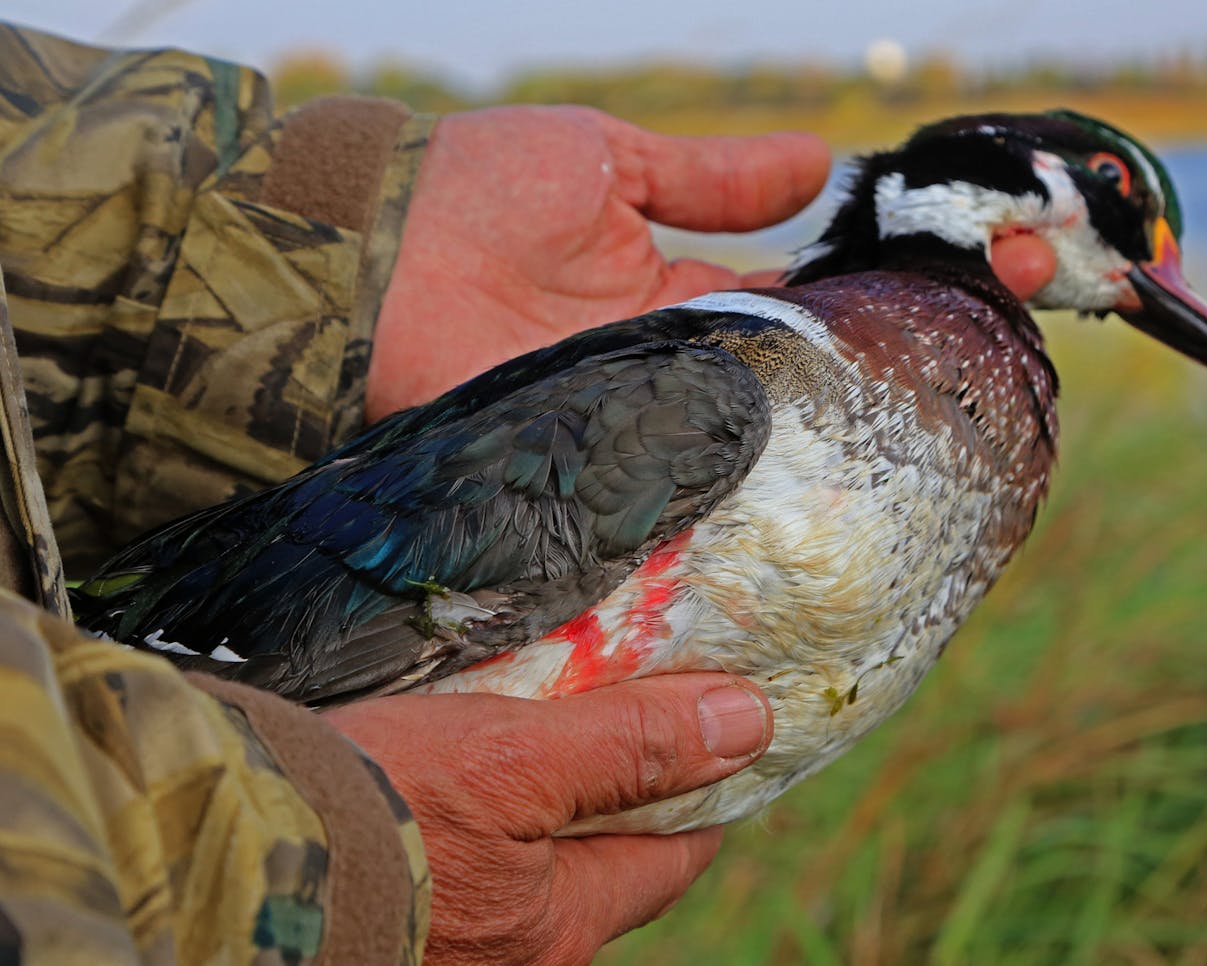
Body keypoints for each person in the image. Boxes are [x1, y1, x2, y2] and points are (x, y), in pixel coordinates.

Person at [0, 23, 1059, 965]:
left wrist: (349, 234)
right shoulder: (702, 398)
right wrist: (308, 854)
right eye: (1108, 192)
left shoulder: (880, 381)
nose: (1152, 262)